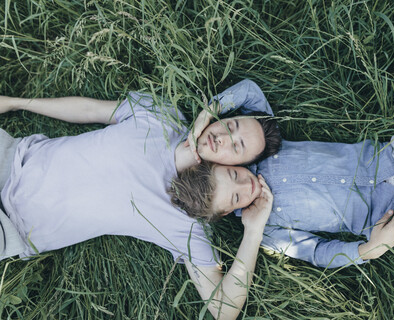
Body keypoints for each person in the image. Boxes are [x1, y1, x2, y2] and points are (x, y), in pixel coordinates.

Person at [0, 79, 281, 319]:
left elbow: (223, 309)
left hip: (11, 225)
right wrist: (16, 102)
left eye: (237, 149)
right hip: (12, 156)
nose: (223, 138)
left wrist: (254, 232)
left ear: (238, 165)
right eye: (230, 126)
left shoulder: (186, 224)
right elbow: (91, 109)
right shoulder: (164, 116)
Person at [173, 89, 394, 276]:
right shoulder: (267, 230)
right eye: (237, 198)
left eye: (235, 176)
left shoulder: (261, 147)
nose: (247, 187)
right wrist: (367, 250)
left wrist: (208, 113)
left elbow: (250, 93)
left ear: (229, 164)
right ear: (228, 212)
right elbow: (317, 252)